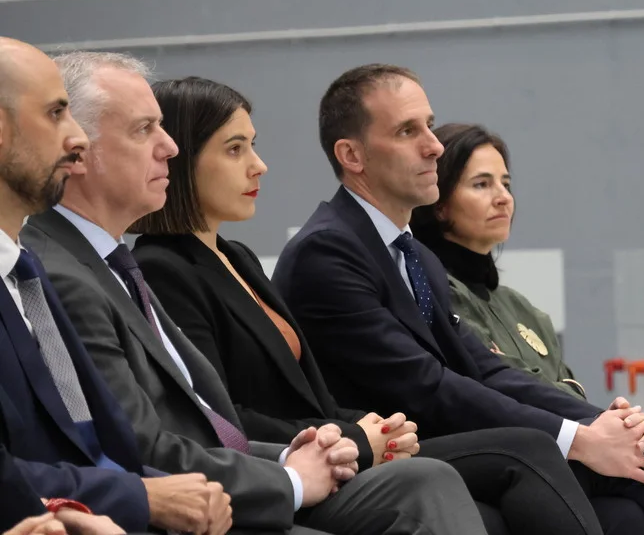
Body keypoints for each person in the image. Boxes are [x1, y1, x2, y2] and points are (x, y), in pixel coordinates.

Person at [23, 51, 486, 535]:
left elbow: (210, 419)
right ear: (77, 150)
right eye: (144, 130)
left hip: (241, 469)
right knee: (452, 473)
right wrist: (293, 475)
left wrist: (302, 452)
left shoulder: (123, 263)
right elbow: (141, 443)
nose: (169, 148)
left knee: (432, 478)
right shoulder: (90, 272)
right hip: (181, 501)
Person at [128, 76, 610, 535]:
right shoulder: (167, 268)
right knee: (518, 452)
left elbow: (470, 364)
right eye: (235, 149)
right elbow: (218, 417)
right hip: (286, 462)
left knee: (619, 483)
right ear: (181, 159)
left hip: (332, 441)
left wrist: (599, 421)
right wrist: (354, 435)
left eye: (253, 145)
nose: (259, 165)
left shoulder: (238, 257)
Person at [273, 64, 644, 535]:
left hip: (446, 438)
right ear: (352, 155)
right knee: (554, 455)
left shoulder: (413, 254)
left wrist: (603, 424)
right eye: (408, 131)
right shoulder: (327, 252)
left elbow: (484, 368)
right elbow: (424, 383)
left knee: (635, 487)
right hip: (378, 450)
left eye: (430, 125)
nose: (433, 146)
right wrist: (580, 439)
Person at [410, 122, 644, 535]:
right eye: (481, 184)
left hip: (581, 439)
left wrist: (618, 424)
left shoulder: (523, 307)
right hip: (530, 450)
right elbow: (496, 390)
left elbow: (567, 388)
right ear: (440, 204)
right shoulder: (435, 293)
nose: (503, 197)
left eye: (506, 183)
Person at [0, 37, 231, 535]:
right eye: (56, 113)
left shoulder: (26, 270)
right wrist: (142, 497)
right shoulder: (50, 271)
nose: (77, 140)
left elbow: (91, 443)